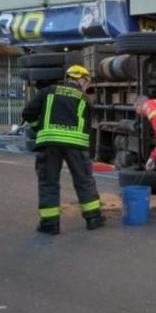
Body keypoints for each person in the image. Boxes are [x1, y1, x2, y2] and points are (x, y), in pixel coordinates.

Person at [22, 65, 105, 235]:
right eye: (87, 82)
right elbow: (87, 127)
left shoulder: (49, 91)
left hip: (49, 142)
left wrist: (38, 127)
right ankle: (94, 218)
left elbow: (28, 113)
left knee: (48, 182)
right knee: (84, 180)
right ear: (81, 80)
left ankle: (50, 224)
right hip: (76, 144)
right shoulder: (85, 99)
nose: (87, 86)